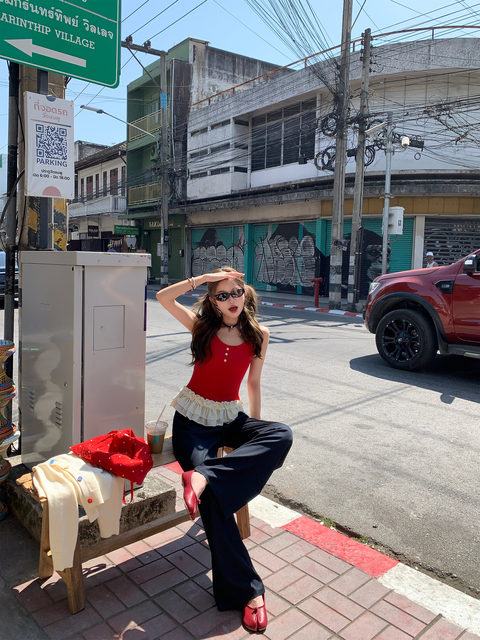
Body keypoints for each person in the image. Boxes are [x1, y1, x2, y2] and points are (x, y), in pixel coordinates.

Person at [156, 267, 292, 634]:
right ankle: (248, 591)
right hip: (193, 421)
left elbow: (254, 384)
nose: (232, 300)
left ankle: (203, 476)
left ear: (246, 294)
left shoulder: (259, 335)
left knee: (281, 435)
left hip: (230, 417)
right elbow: (163, 297)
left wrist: (256, 432)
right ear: (213, 303)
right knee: (213, 501)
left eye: (237, 292)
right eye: (222, 295)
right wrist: (203, 278)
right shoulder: (201, 327)